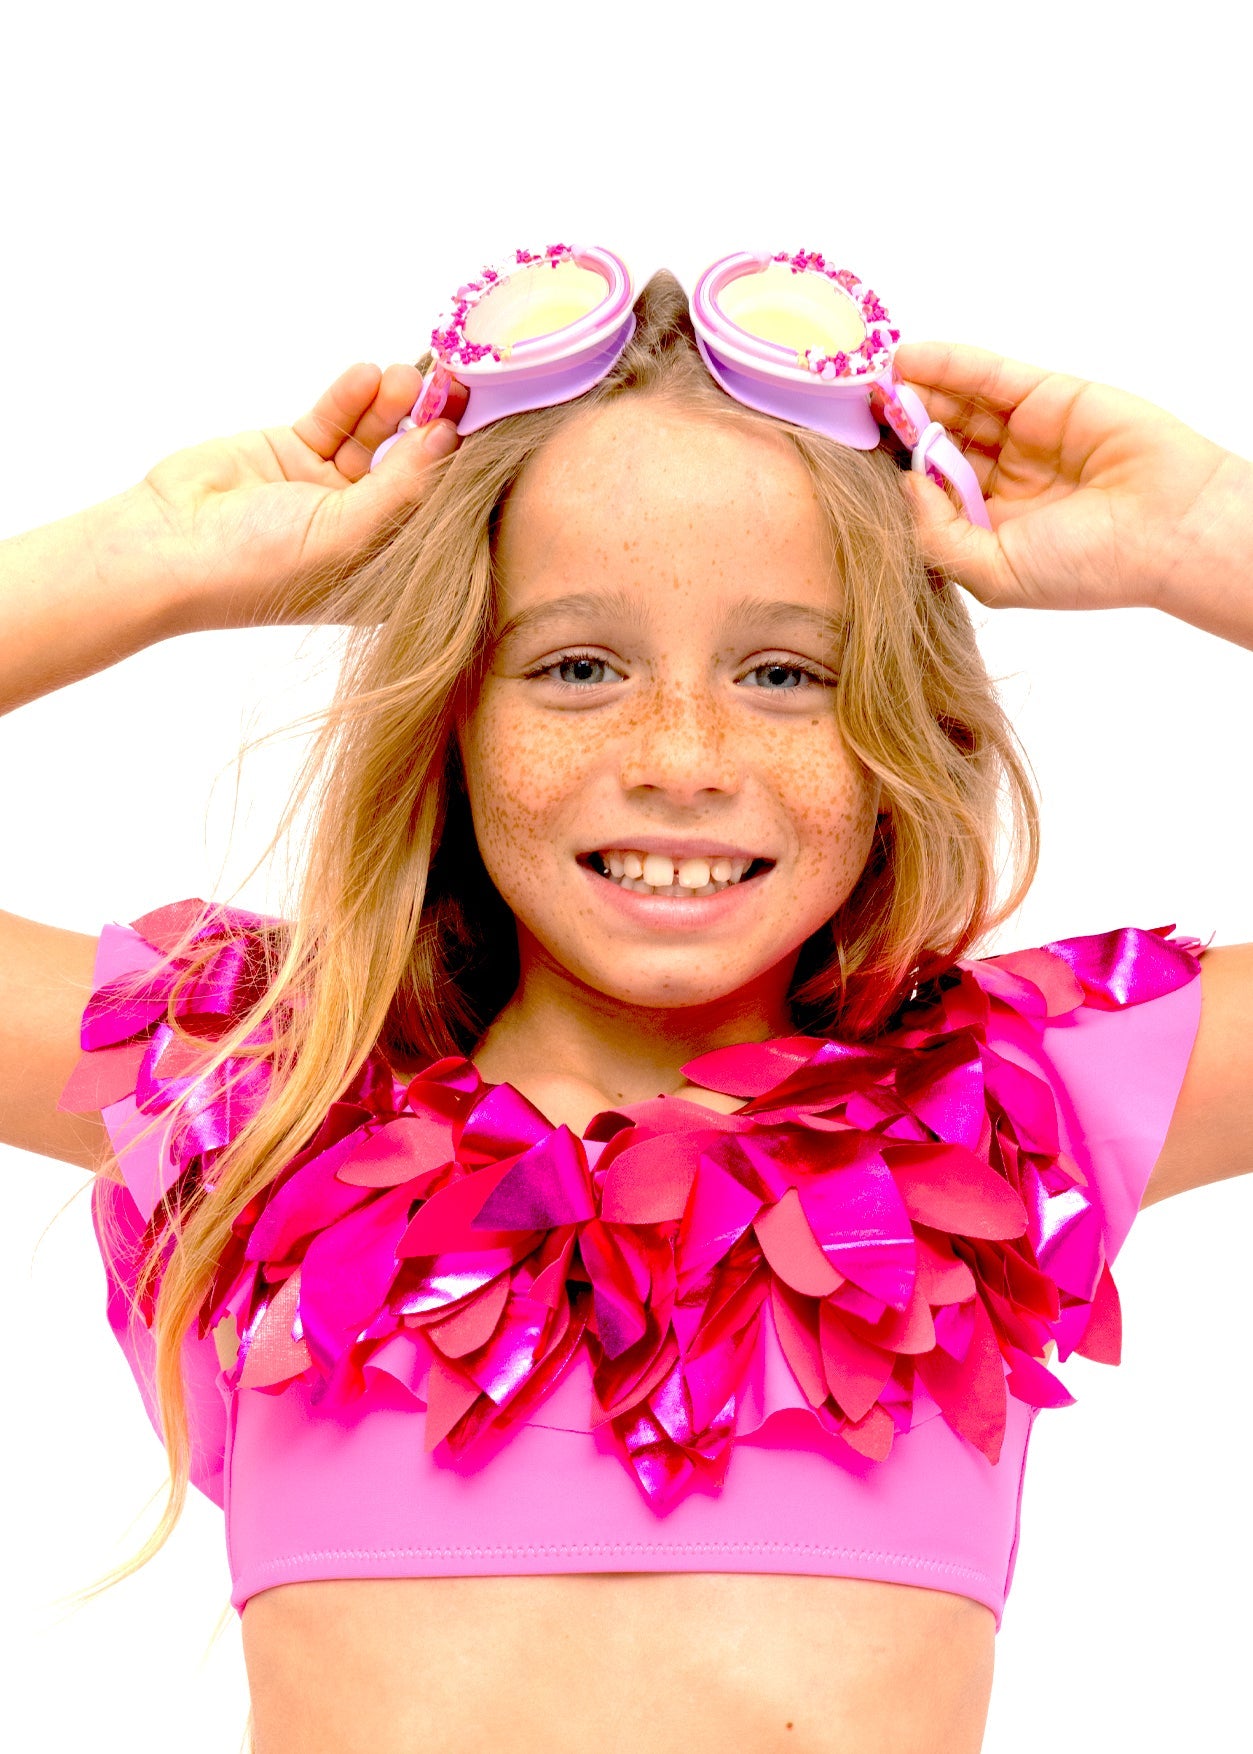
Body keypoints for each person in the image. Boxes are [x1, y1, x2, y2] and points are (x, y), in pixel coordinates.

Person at [2, 260, 1250, 1754]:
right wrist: (159, 555)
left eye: (786, 672)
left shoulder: (1008, 1111)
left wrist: (1201, 536)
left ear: (900, 728)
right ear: (453, 705)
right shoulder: (255, 1089)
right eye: (577, 665)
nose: (680, 753)